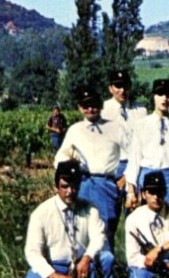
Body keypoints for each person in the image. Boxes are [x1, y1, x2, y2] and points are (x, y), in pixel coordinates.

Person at [23, 160, 115, 278]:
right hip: (54, 264)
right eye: (64, 187)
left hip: (81, 264)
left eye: (74, 186)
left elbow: (99, 236)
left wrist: (87, 258)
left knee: (107, 258)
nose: (69, 191)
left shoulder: (90, 209)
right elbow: (32, 253)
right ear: (56, 187)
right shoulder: (41, 213)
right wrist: (54, 276)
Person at [54, 86, 131, 245]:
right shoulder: (75, 130)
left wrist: (126, 177)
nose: (91, 109)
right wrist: (69, 162)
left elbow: (134, 155)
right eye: (86, 105)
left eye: (94, 105)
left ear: (101, 106)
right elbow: (59, 158)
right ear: (80, 108)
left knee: (106, 229)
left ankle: (106, 266)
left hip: (106, 185)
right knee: (80, 229)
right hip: (82, 184)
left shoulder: (115, 127)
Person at [124, 78, 169, 209]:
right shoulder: (141, 124)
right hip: (148, 177)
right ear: (153, 97)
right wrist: (131, 191)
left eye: (168, 95)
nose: (164, 98)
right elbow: (134, 159)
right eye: (160, 94)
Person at [102, 69, 148, 205]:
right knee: (109, 216)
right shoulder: (103, 111)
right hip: (113, 167)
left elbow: (144, 144)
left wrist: (129, 175)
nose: (122, 90)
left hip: (136, 165)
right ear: (110, 88)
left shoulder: (141, 111)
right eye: (118, 86)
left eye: (125, 86)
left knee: (135, 212)